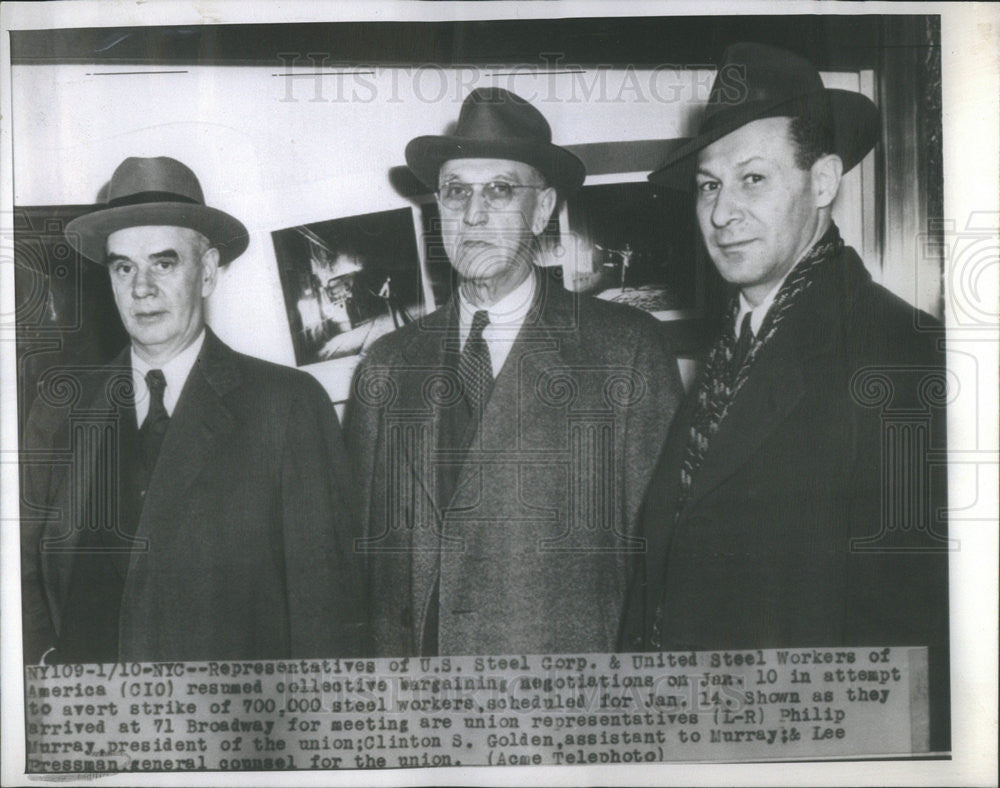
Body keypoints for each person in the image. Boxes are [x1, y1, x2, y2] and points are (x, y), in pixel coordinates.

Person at [623, 44, 949, 749]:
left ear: (824, 180)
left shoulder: (903, 352)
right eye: (709, 186)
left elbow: (909, 650)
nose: (722, 213)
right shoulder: (735, 346)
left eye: (753, 179)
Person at [345, 88, 683, 656]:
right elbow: (359, 561)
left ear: (543, 209)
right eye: (455, 192)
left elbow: (665, 570)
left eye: (500, 190)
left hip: (558, 717)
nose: (473, 214)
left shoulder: (626, 351)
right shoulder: (385, 365)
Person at [21, 156, 364, 663]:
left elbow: (326, 612)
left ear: (206, 273)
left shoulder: (287, 406)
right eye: (124, 267)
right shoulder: (58, 409)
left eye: (164, 263)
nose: (142, 288)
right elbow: (20, 571)